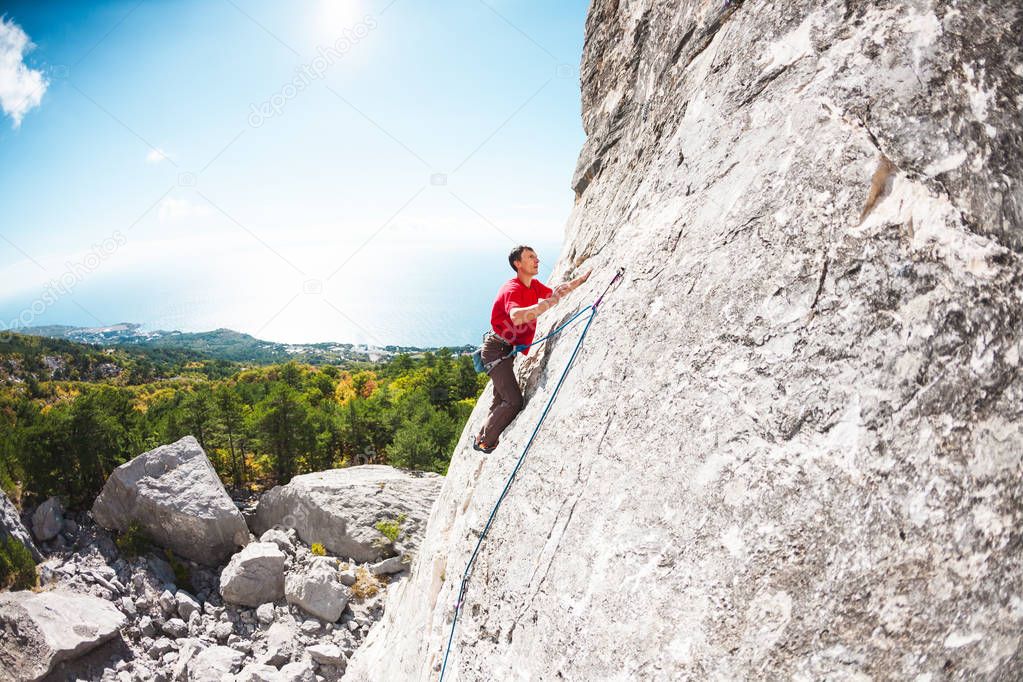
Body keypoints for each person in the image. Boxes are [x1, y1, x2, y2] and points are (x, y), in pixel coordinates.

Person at [472, 245, 591, 454]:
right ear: (518, 264)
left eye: (536, 256)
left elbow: (554, 293)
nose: (536, 260)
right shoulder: (513, 289)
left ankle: (482, 433)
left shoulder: (532, 285)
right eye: (530, 257)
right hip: (496, 350)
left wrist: (579, 281)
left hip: (503, 348)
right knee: (513, 401)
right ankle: (485, 441)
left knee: (500, 398)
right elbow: (517, 316)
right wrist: (546, 305)